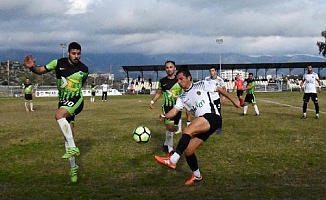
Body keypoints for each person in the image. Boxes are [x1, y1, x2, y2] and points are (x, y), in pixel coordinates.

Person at [154, 68, 242, 186]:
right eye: (177, 80)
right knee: (189, 150)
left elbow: (219, 89)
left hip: (213, 117)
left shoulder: (201, 84)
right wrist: (165, 116)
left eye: (181, 79)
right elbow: (174, 111)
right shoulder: (182, 97)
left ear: (189, 78)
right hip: (203, 122)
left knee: (187, 130)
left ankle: (172, 160)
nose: (179, 82)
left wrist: (234, 100)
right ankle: (197, 175)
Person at [24, 42, 89, 183]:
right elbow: (40, 70)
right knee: (67, 136)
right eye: (73, 53)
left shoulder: (84, 69)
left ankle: (73, 149)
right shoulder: (58, 63)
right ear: (68, 53)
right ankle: (73, 168)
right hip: (63, 102)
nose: (76, 56)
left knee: (58, 115)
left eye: (78, 53)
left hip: (76, 100)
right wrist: (32, 68)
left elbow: (82, 83)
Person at [150, 60, 183, 156]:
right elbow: (159, 92)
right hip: (167, 108)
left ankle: (166, 144)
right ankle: (170, 150)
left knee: (174, 128)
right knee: (170, 127)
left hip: (178, 108)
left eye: (171, 67)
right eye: (167, 67)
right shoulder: (162, 81)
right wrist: (152, 101)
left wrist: (180, 96)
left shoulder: (179, 80)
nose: (169, 69)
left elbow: (185, 91)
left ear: (175, 68)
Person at [205, 66, 226, 134]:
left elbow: (224, 88)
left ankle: (219, 128)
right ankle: (209, 127)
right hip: (209, 99)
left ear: (216, 71)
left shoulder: (219, 80)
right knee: (209, 113)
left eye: (213, 71)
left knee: (218, 113)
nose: (211, 72)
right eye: (210, 71)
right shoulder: (207, 79)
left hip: (216, 99)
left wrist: (223, 96)